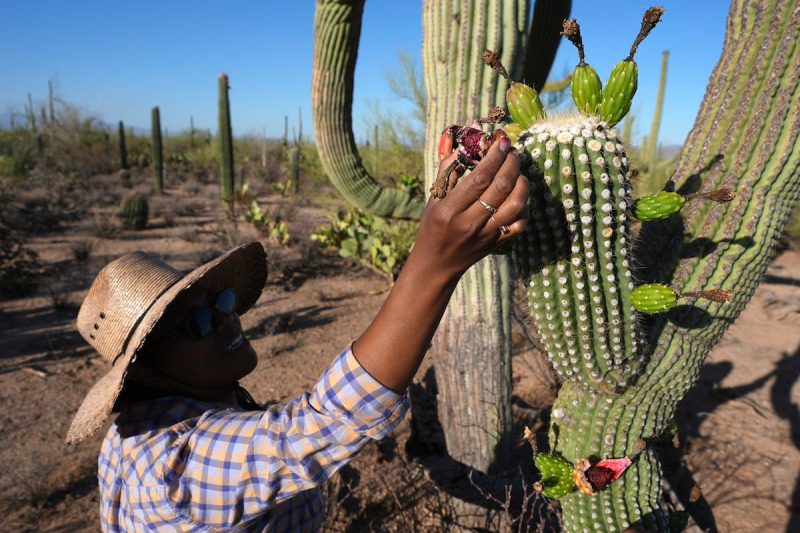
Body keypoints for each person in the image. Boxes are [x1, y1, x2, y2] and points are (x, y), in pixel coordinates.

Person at [66, 137, 528, 531]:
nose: (226, 319)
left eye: (220, 303)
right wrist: (435, 262)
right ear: (149, 374)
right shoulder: (173, 468)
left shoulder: (131, 434)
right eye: (197, 324)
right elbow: (319, 427)